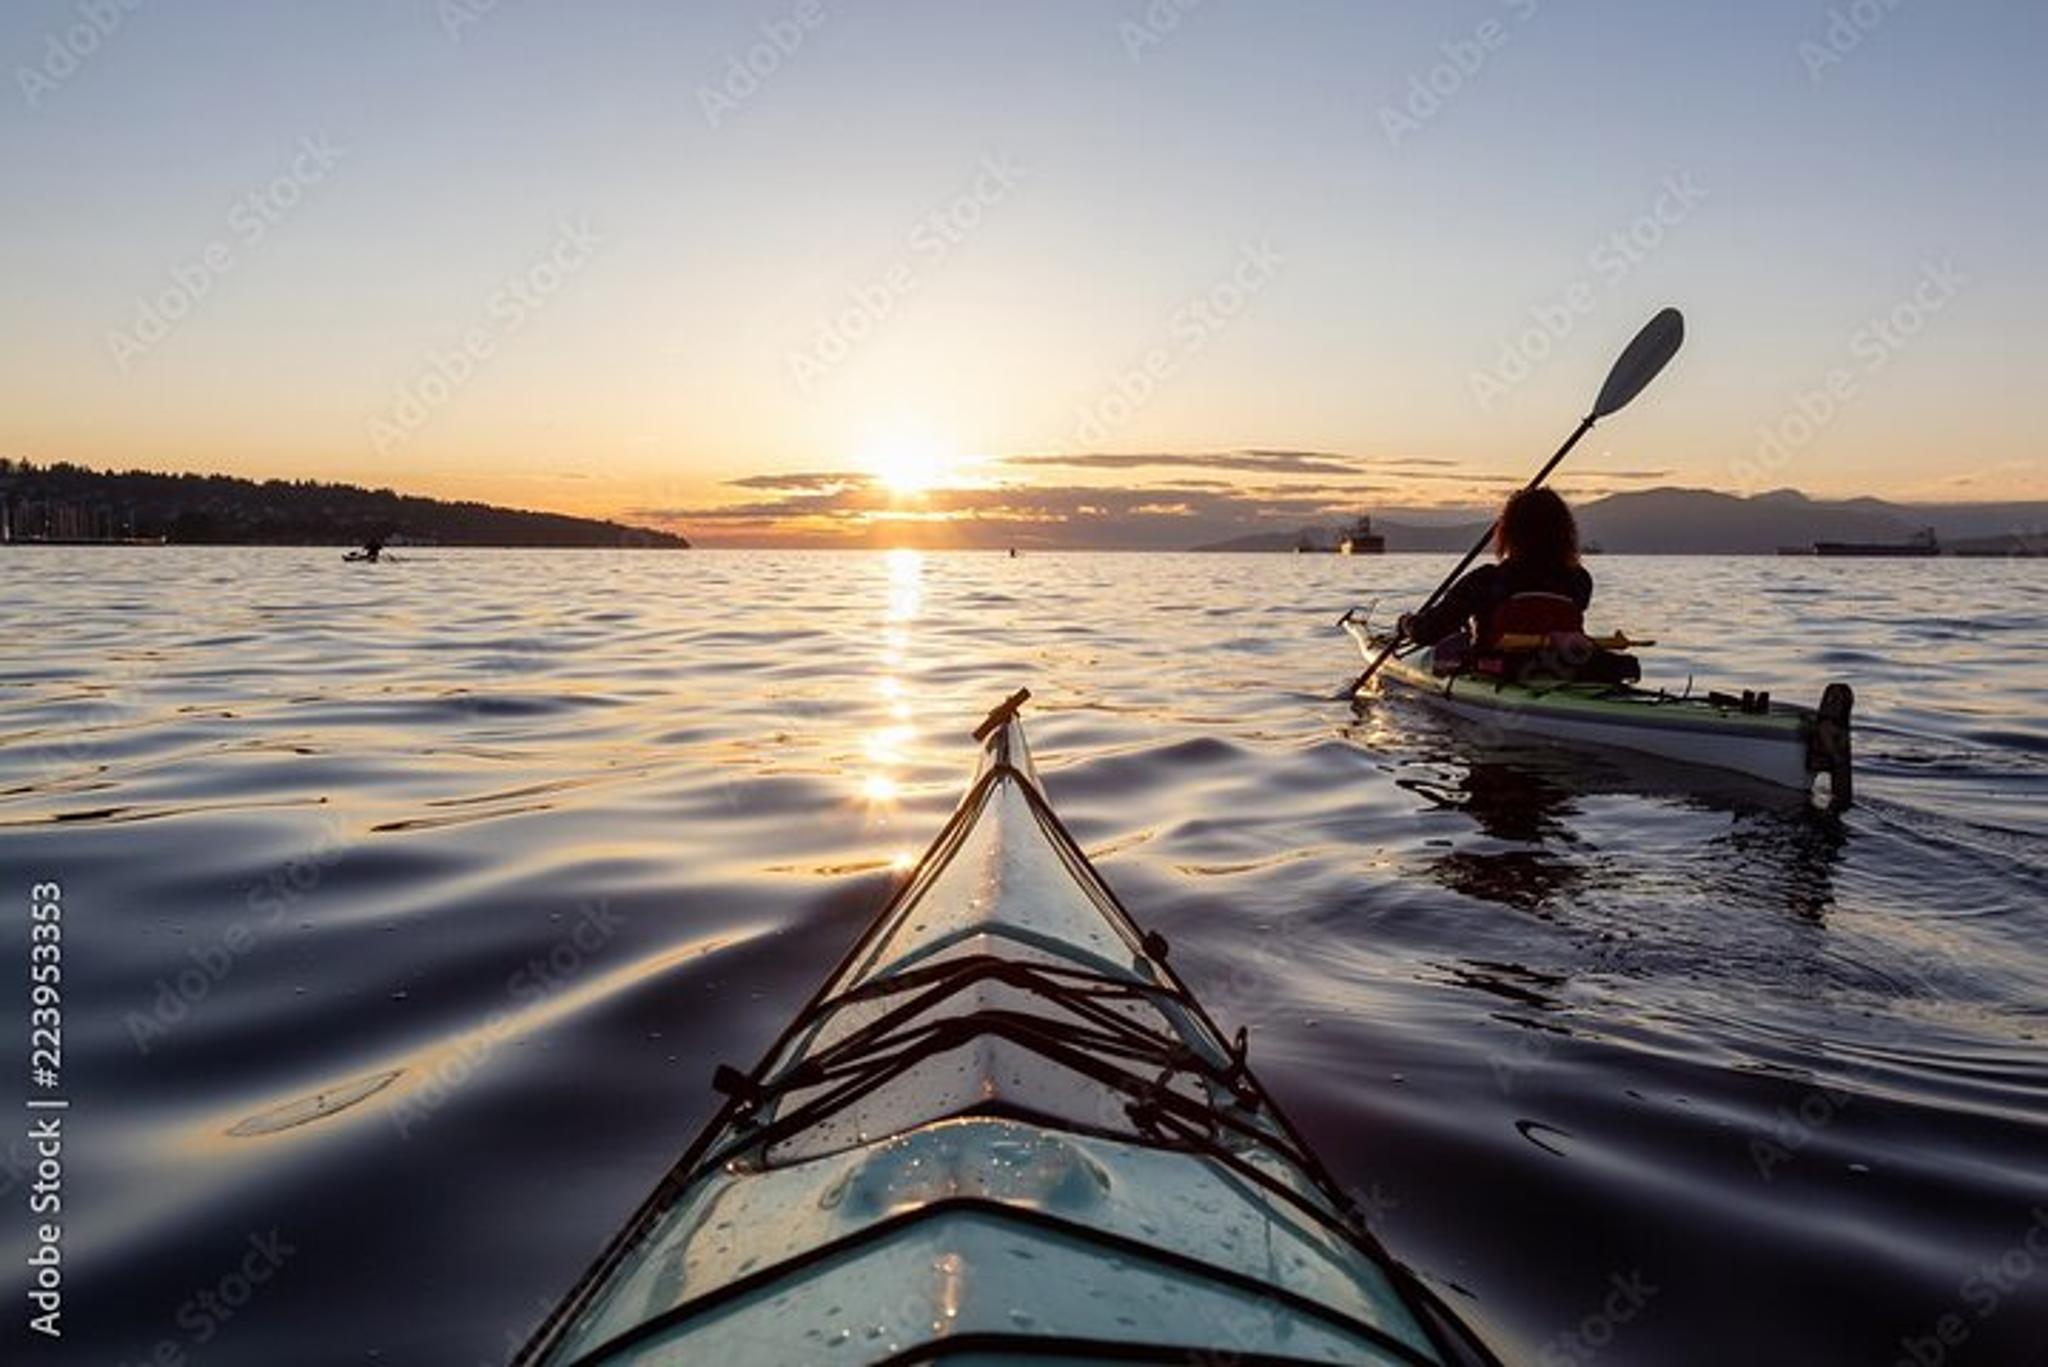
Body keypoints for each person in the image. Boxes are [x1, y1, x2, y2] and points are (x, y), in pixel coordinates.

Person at [1399, 488, 1591, 659]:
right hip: (1565, 669)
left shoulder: (1486, 580)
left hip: (1497, 672)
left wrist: (1406, 624)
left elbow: (1430, 632)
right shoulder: (1579, 581)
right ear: (1566, 533)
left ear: (1508, 532)